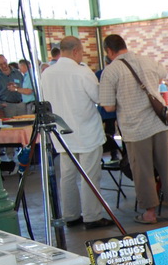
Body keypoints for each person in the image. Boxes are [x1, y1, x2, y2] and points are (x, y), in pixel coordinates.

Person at [99, 34, 168, 224]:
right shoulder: (147, 61)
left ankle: (149, 213)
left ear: (108, 51)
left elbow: (108, 107)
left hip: (135, 128)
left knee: (143, 171)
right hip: (158, 122)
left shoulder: (111, 71)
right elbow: (162, 75)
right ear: (125, 45)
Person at [41, 36, 114, 230]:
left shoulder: (47, 73)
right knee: (89, 175)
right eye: (81, 51)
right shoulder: (82, 72)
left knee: (67, 175)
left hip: (62, 132)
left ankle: (71, 215)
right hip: (86, 130)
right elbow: (98, 97)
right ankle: (92, 216)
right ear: (75, 51)